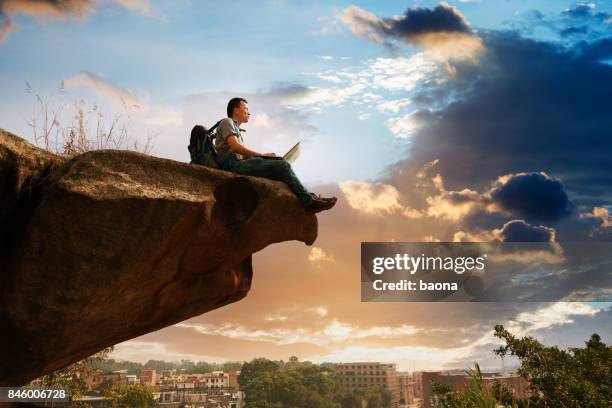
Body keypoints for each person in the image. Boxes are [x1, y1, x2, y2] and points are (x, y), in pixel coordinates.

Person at [215, 97, 337, 214]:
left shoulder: (236, 129)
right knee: (283, 166)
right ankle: (309, 203)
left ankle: (313, 198)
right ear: (236, 110)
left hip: (238, 163)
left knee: (280, 164)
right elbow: (236, 147)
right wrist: (261, 155)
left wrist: (264, 156)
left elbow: (239, 152)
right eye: (246, 108)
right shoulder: (227, 121)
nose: (249, 112)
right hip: (232, 166)